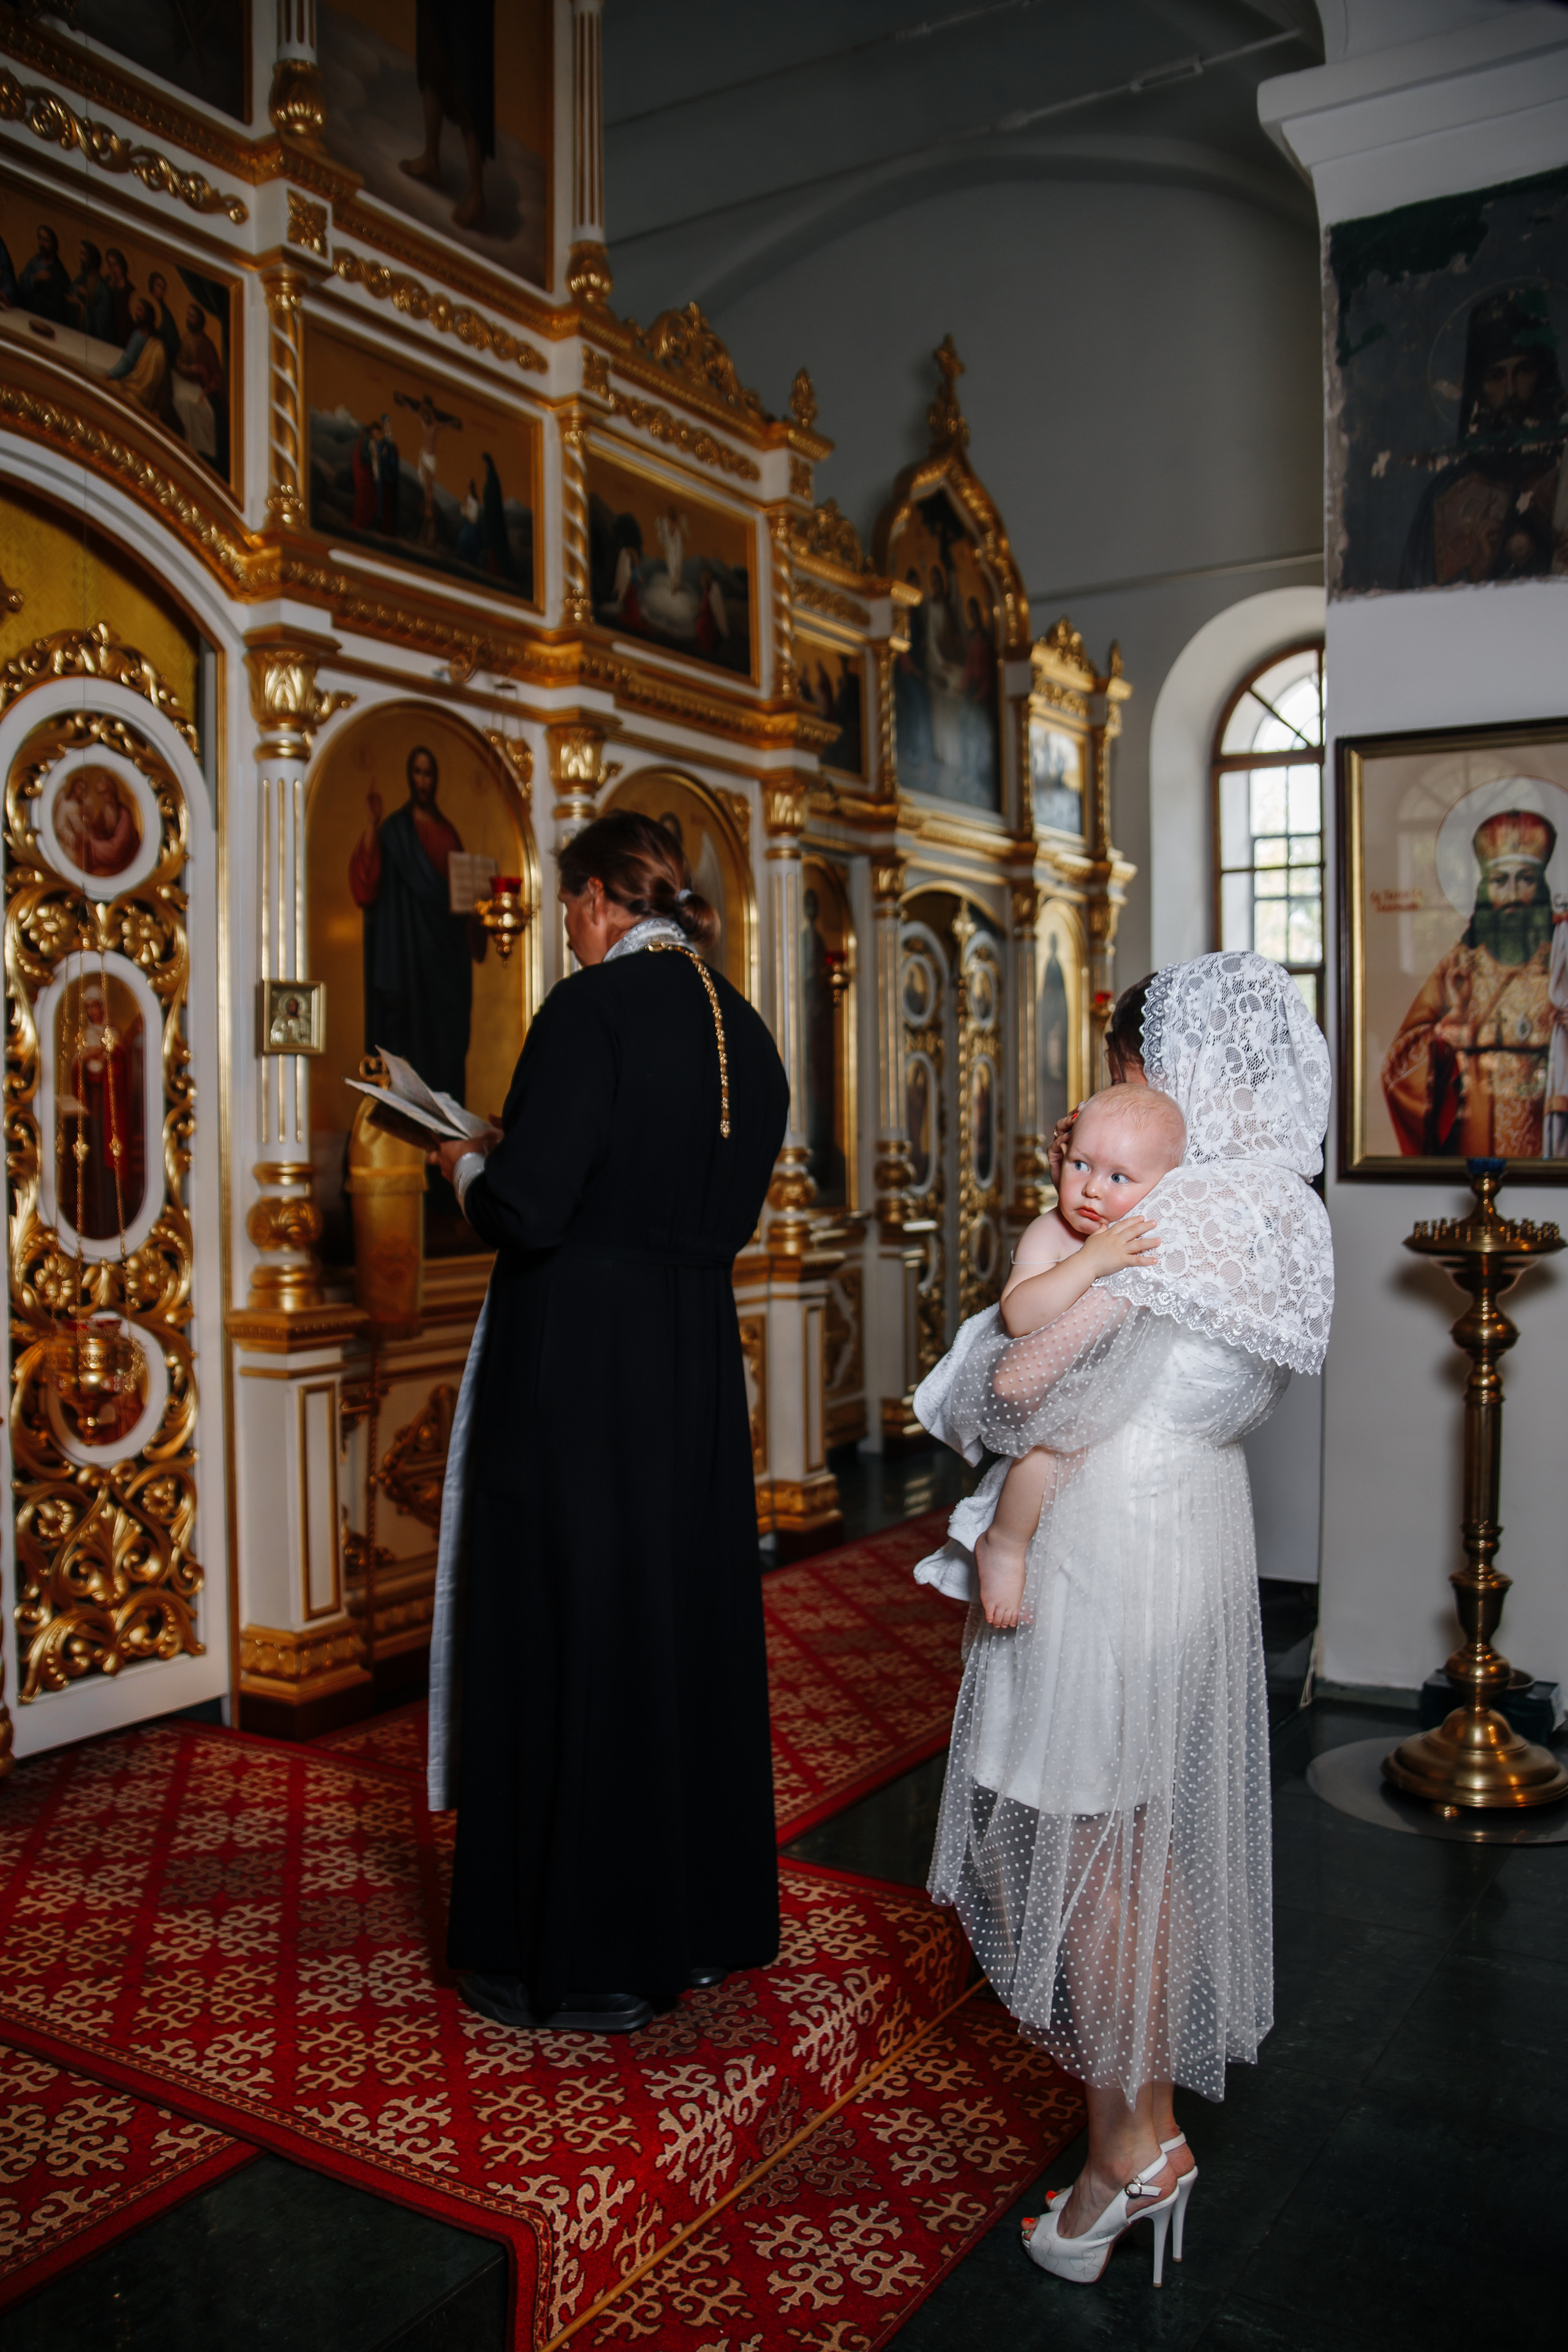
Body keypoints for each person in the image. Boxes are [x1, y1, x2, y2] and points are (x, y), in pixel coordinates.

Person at [915, 952, 1333, 2290]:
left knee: (1086, 1851)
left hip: (1099, 1545)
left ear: (1187, 1066)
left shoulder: (1178, 1214)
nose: (1120, 1088)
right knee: (1139, 1840)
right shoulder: (1274, 1206)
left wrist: (1009, 1307)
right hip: (1193, 1528)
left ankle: (1124, 2152)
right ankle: (1140, 2127)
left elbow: (1023, 1394)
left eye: (1132, 1067)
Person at [423, 809, 790, 2033]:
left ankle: (576, 1955)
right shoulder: (742, 1025)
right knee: (668, 1628)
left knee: (568, 1629)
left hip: (578, 1368)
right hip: (687, 1361)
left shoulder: (588, 1011)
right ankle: (681, 1934)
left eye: (565, 913)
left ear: (590, 903)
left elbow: (530, 1210)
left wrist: (466, 1163)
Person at [966, 1084, 1184, 1629]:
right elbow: (1018, 1314)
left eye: (1118, 1178)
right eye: (1081, 1165)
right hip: (1044, 1385)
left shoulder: (1147, 1232)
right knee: (1042, 1457)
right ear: (1060, 1158)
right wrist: (1090, 1262)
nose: (1090, 1191)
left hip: (1117, 1388)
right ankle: (1003, 1543)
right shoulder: (1054, 1232)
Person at [1382, 807, 1556, 1158]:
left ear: (1541, 887)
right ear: (1484, 889)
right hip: (1475, 1139)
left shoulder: (1562, 961)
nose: (1511, 894)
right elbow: (1398, 1071)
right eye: (1499, 880)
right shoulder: (1458, 964)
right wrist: (1444, 1034)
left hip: (1549, 1136)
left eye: (1525, 879)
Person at [1400, 287, 1568, 586]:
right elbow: (1415, 601)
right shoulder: (1446, 497)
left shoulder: (1564, 475)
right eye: (1496, 376)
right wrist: (1476, 570)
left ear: (1542, 374)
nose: (1511, 391)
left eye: (1524, 370)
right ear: (1479, 389)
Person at [348, 742, 487, 1104]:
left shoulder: (448, 833)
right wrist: (371, 824)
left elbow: (463, 897)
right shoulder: (394, 832)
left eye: (428, 774)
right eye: (417, 772)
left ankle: (451, 1122)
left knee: (448, 1044)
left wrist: (478, 906)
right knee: (414, 1043)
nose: (423, 781)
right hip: (408, 959)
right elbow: (367, 882)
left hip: (447, 960)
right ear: (410, 778)